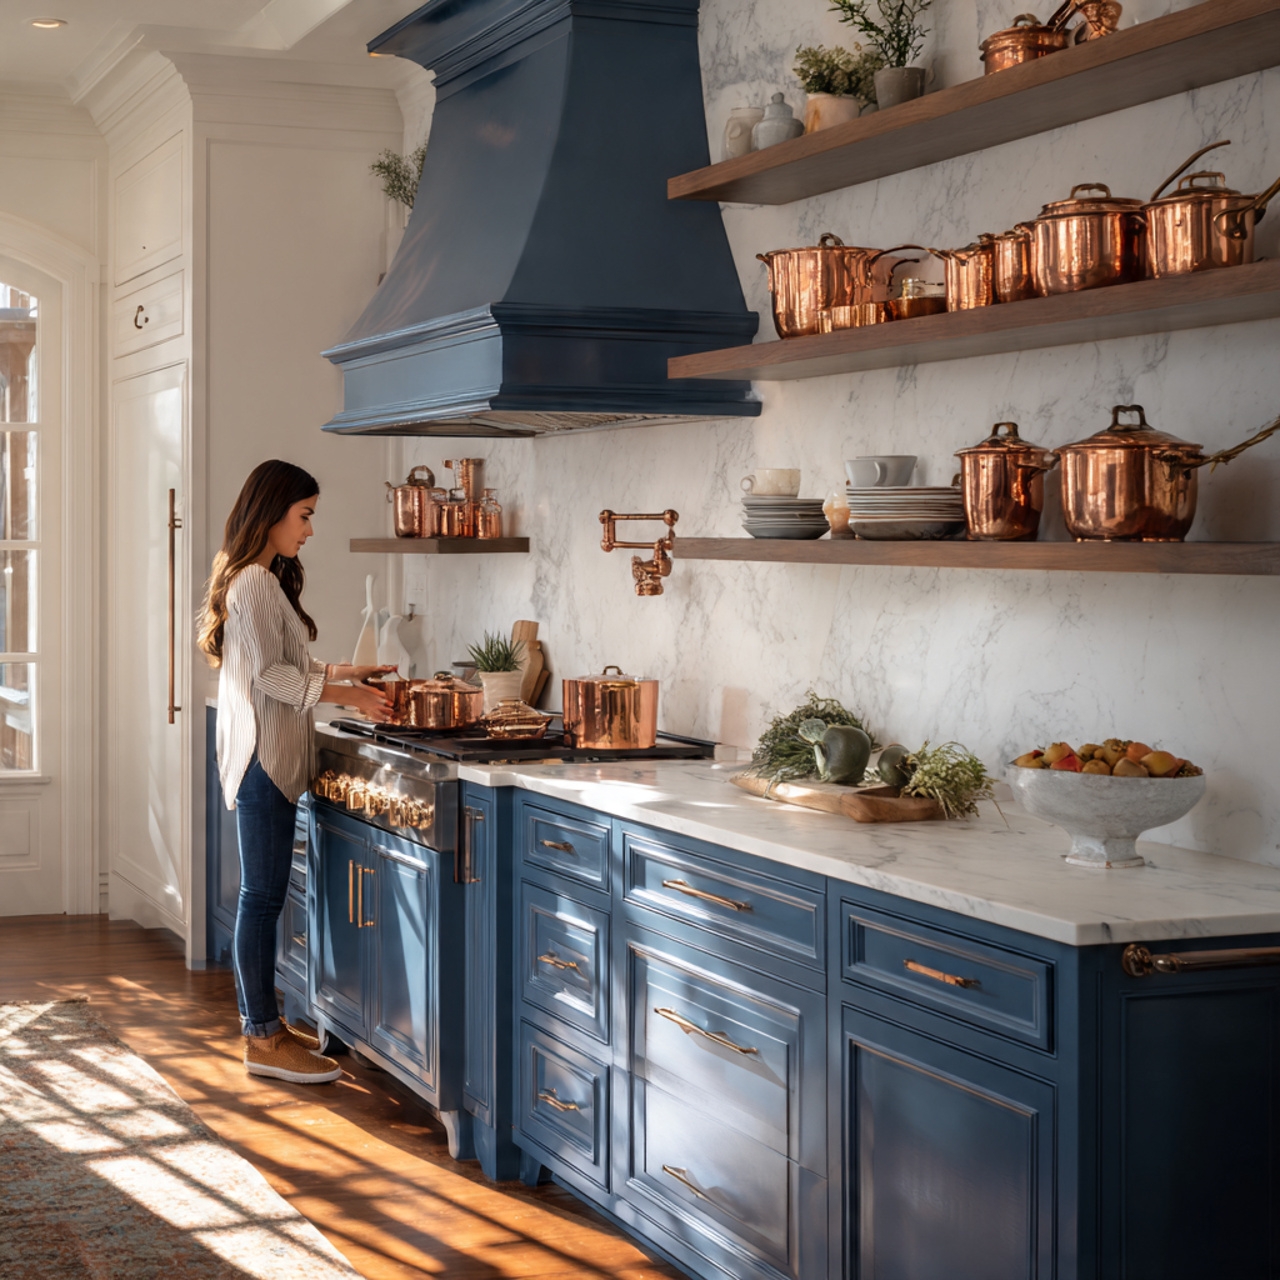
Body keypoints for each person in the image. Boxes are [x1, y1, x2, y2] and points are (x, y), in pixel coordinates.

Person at [197, 459, 393, 1084]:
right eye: (304, 516)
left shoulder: (254, 578)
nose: (309, 530)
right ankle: (262, 1037)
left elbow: (285, 661)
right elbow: (272, 678)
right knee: (261, 900)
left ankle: (266, 1030)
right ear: (272, 511)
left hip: (263, 757)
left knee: (262, 897)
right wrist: (348, 696)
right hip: (264, 759)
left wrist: (344, 673)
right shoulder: (255, 581)